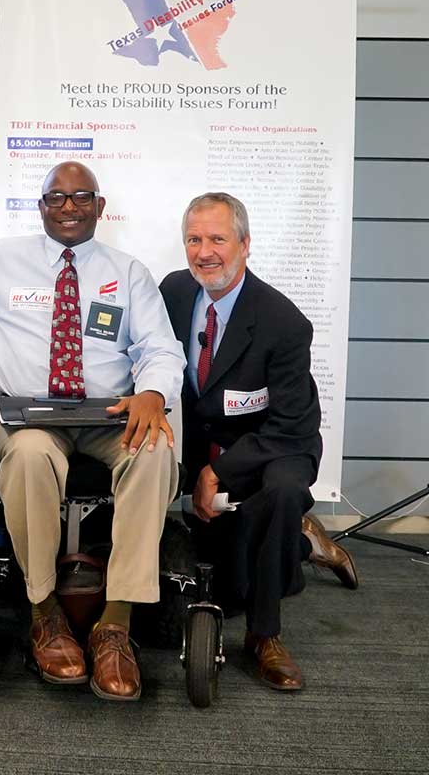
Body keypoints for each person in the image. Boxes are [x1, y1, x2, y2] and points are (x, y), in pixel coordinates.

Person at [0, 161, 185, 701]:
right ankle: (44, 612)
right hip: (23, 415)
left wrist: (153, 393)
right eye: (57, 198)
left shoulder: (129, 272)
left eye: (81, 197)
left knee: (155, 446)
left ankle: (116, 623)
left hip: (104, 414)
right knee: (27, 454)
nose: (69, 207)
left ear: (100, 206)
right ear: (41, 207)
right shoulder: (0, 261)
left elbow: (162, 347)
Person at [160, 192, 358, 691]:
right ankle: (300, 542)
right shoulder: (173, 293)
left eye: (218, 239)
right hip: (203, 448)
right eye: (194, 239)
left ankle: (265, 637)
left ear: (245, 244)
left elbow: (291, 425)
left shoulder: (284, 324)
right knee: (225, 588)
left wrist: (217, 474)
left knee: (284, 491)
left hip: (275, 445)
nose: (205, 251)